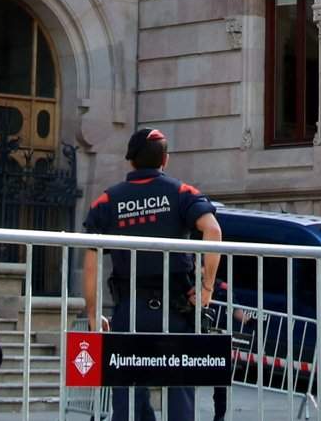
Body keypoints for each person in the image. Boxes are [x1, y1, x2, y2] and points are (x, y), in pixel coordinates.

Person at [82, 126, 225, 421]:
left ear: (131, 162)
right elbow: (213, 230)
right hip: (176, 310)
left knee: (127, 387)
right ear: (165, 160)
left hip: (129, 309)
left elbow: (91, 255)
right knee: (179, 387)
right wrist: (207, 288)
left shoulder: (109, 200)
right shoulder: (183, 193)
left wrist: (94, 312)